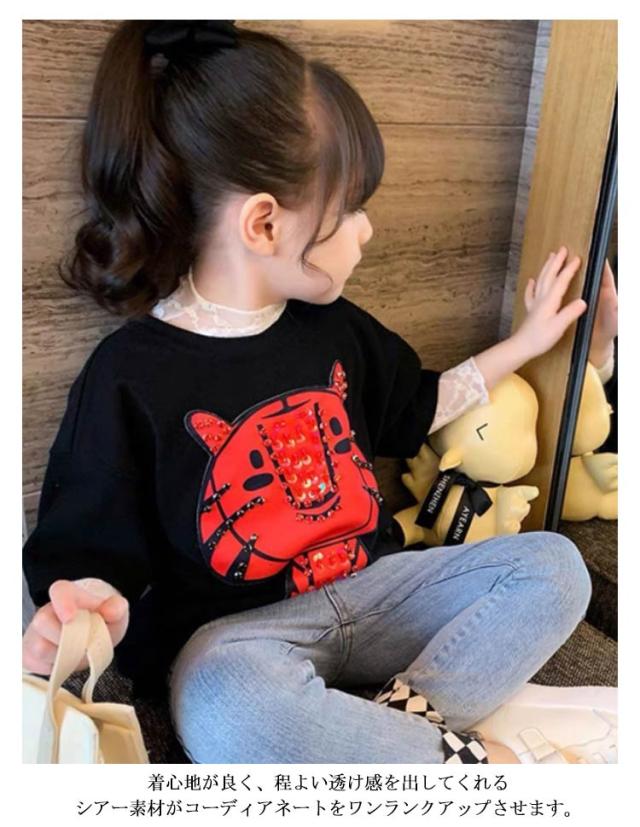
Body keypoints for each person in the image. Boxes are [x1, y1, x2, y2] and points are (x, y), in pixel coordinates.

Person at [22, 20, 617, 765]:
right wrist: (80, 610)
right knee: (223, 702)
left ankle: (395, 727)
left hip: (377, 594)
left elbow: (417, 408)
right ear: (265, 223)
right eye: (350, 209)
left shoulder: (334, 328)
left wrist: (527, 342)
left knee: (553, 567)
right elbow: (88, 553)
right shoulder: (128, 374)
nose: (366, 232)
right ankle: (459, 765)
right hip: (239, 642)